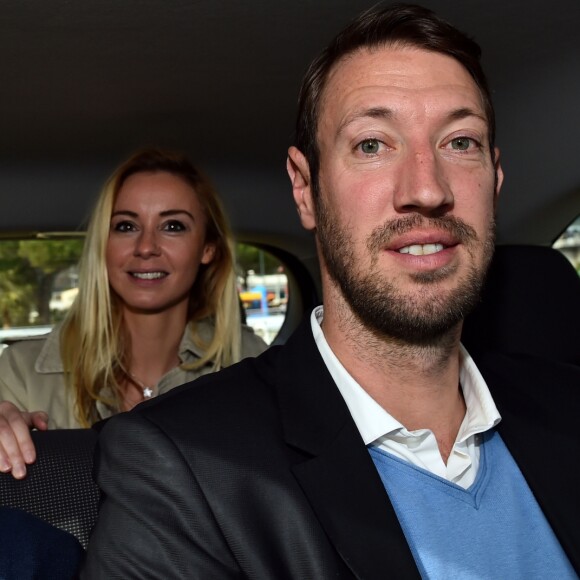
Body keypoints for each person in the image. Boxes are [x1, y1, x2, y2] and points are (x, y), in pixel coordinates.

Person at [82, 5, 580, 579]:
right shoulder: (185, 466)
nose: (426, 188)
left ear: (493, 179)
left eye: (459, 141)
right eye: (372, 144)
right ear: (305, 189)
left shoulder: (570, 409)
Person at [0, 148, 267, 479]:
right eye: (126, 226)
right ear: (104, 244)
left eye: (172, 226)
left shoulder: (251, 364)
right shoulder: (20, 375)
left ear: (207, 249)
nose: (145, 247)